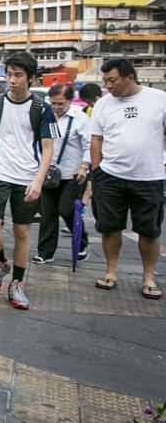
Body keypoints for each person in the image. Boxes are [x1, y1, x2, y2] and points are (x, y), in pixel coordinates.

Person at [0, 51, 58, 310]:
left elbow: (48, 148)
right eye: (9, 74)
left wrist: (38, 181)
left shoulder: (41, 108)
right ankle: (0, 263)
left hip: (28, 177)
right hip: (0, 173)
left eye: (18, 75)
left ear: (30, 78)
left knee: (22, 231)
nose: (12, 80)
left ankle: (17, 283)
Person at [89, 58, 165, 300]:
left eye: (112, 80)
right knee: (110, 228)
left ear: (129, 77)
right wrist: (97, 171)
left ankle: (149, 277)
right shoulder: (103, 104)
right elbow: (96, 140)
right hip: (111, 176)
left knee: (149, 231)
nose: (108, 86)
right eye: (105, 81)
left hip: (150, 177)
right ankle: (111, 272)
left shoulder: (159, 99)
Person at [34, 84, 90, 264]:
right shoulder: (45, 117)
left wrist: (84, 166)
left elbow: (89, 145)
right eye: (53, 103)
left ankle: (81, 242)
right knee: (47, 214)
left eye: (60, 104)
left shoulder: (80, 119)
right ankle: (45, 252)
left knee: (66, 210)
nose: (57, 107)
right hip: (49, 174)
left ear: (70, 101)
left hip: (72, 174)